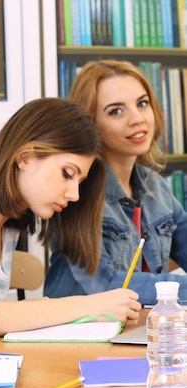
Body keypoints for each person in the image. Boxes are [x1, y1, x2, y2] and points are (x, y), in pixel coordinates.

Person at [0, 97, 141, 339]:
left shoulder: (5, 226)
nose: (74, 195)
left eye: (79, 182)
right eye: (67, 174)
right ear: (25, 157)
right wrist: (89, 305)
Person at [44, 59, 187, 305]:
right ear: (89, 124)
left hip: (137, 329)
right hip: (77, 335)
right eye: (116, 111)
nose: (137, 119)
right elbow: (106, 285)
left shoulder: (156, 187)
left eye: (142, 104)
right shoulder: (74, 195)